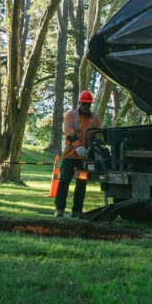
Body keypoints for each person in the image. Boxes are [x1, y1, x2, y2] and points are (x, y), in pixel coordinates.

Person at [54, 90, 102, 218]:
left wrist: (94, 147)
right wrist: (78, 146)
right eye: (84, 103)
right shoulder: (71, 115)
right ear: (79, 102)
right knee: (64, 181)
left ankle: (77, 211)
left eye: (88, 104)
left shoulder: (96, 118)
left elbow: (98, 135)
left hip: (85, 158)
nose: (86, 106)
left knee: (81, 183)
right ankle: (59, 209)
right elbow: (69, 132)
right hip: (70, 156)